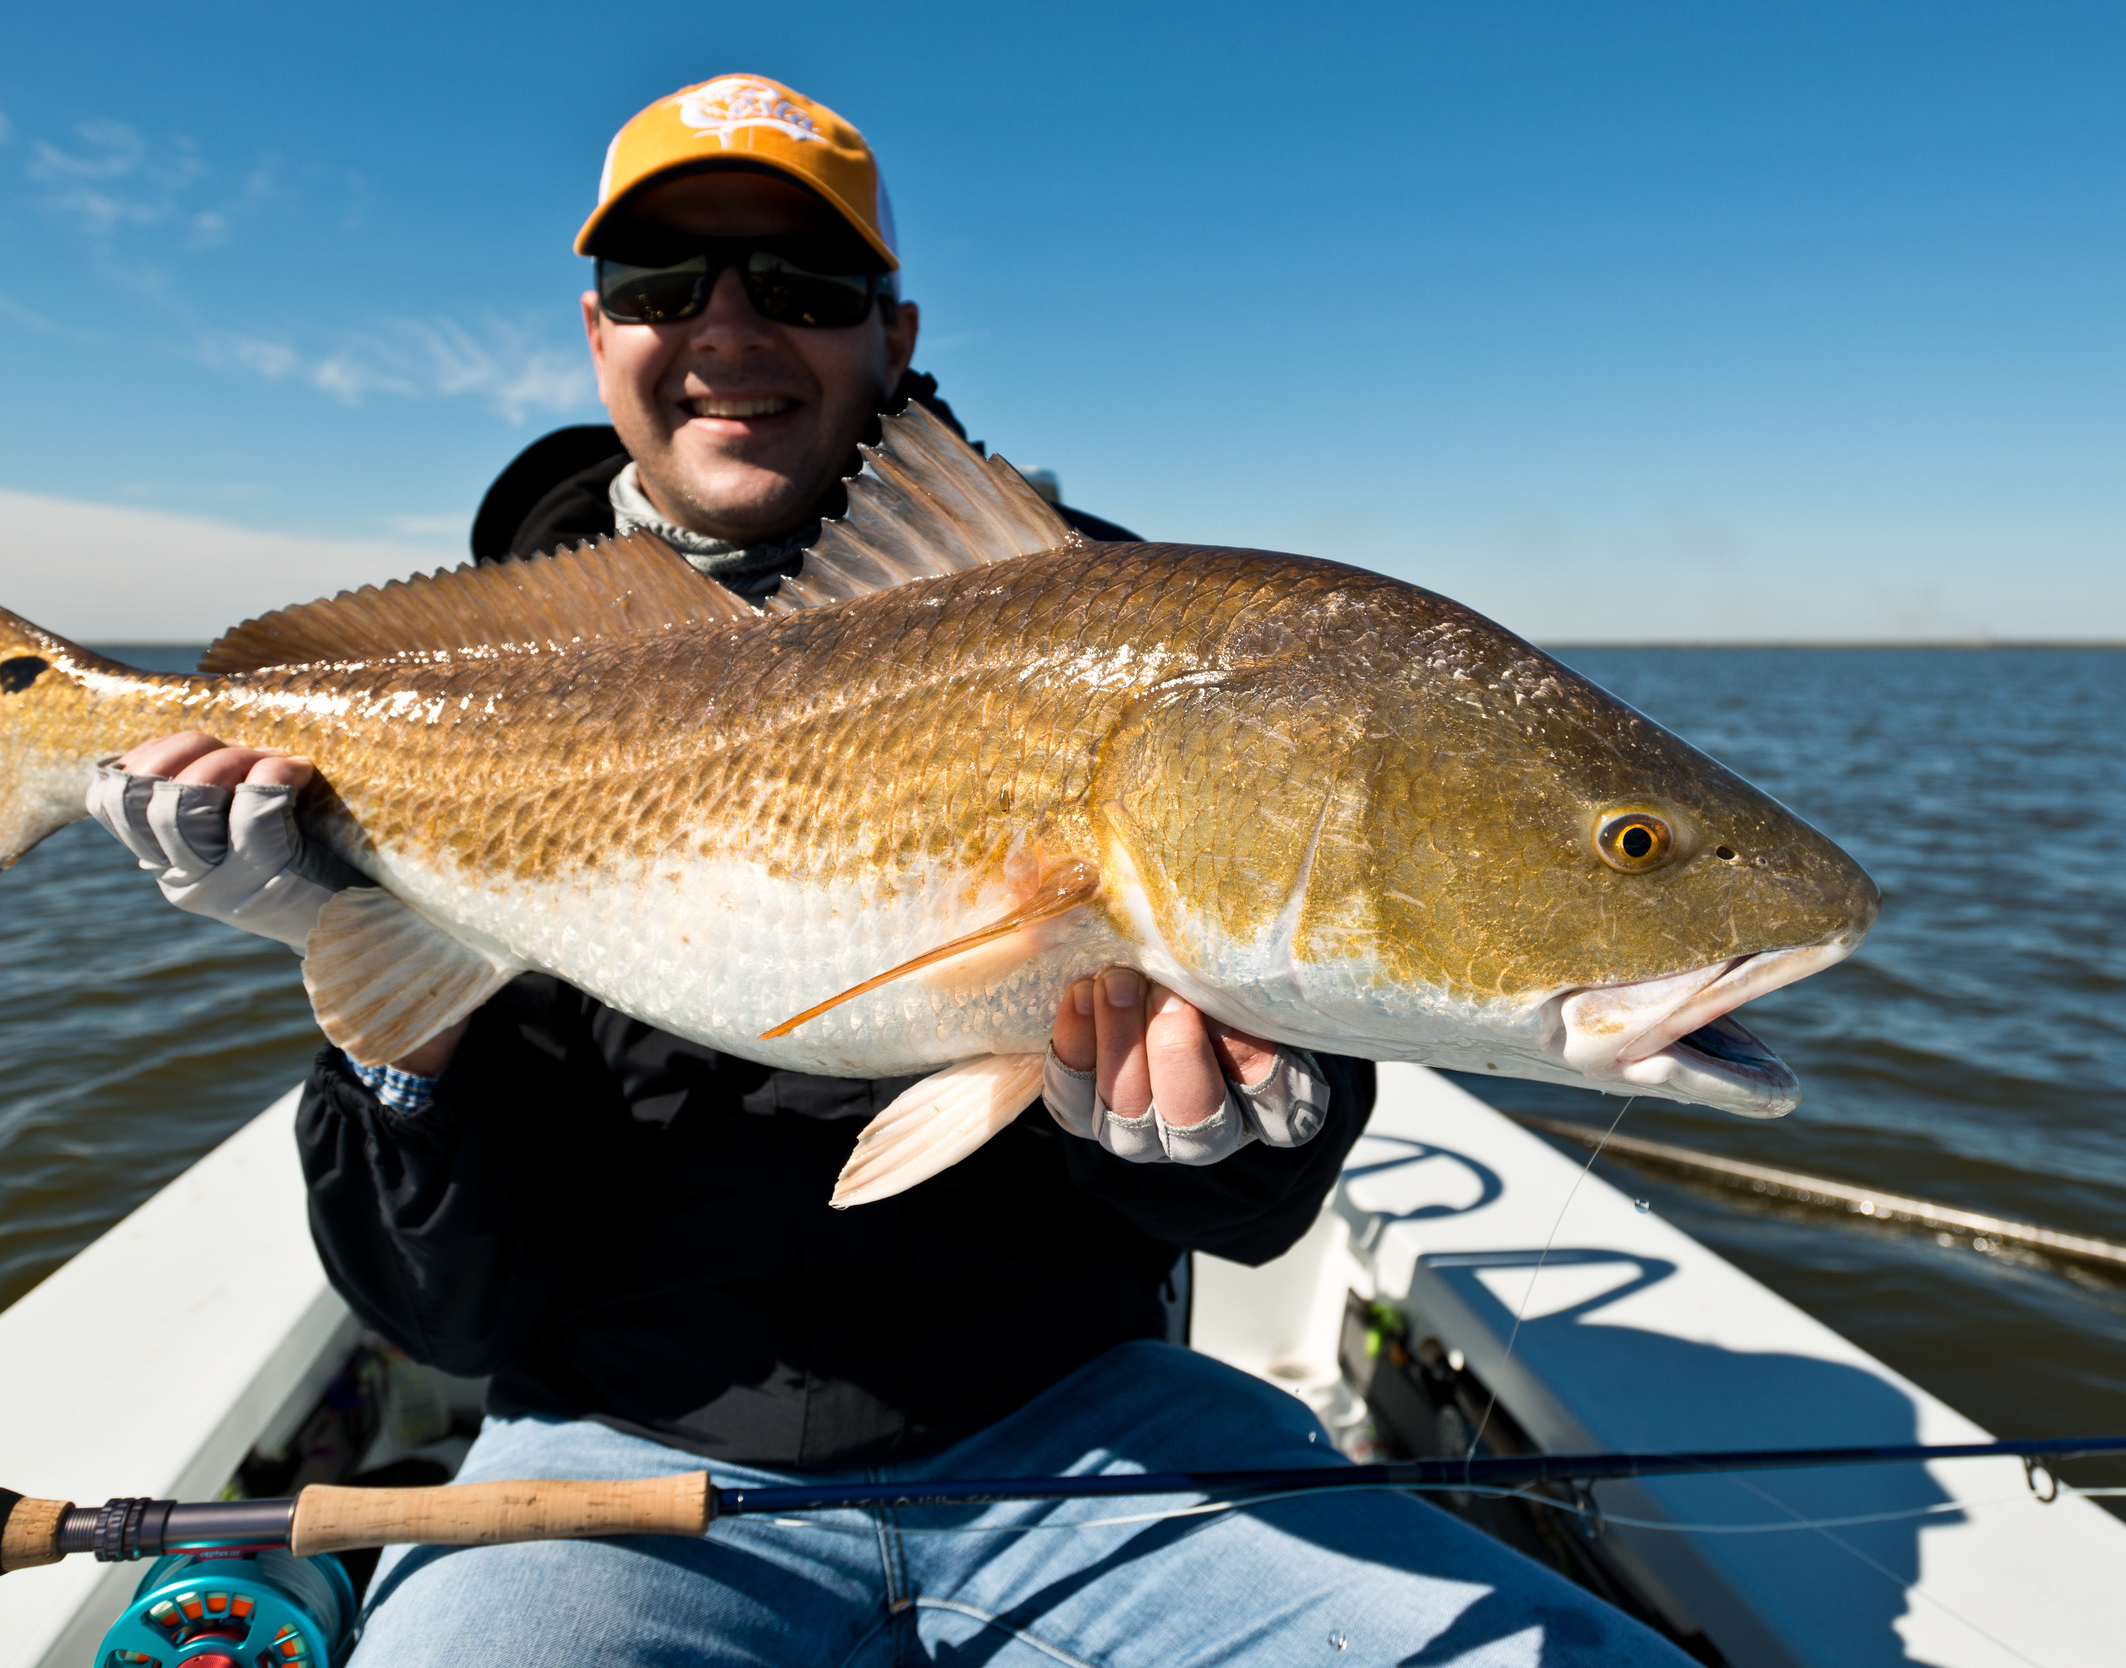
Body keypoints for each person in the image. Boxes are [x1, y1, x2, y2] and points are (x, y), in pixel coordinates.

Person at [91, 75, 1692, 1667]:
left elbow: (1262, 1168)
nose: (728, 328)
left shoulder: (1140, 627)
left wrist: (1231, 1134)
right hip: (615, 1442)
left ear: (896, 333)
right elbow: (442, 1325)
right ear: (599, 337)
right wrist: (395, 1032)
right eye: (661, 284)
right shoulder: (475, 678)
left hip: (1076, 1420)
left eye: (800, 283)